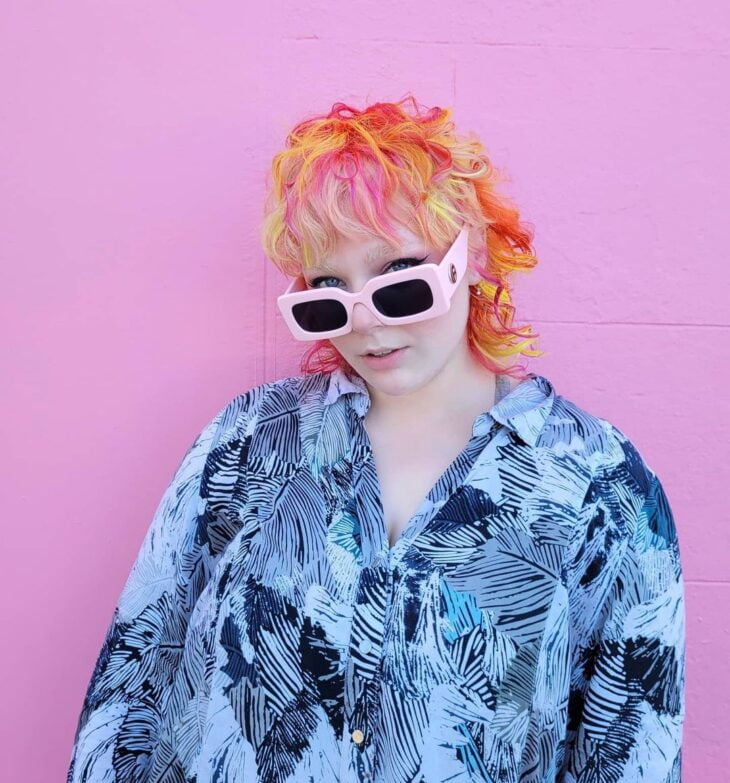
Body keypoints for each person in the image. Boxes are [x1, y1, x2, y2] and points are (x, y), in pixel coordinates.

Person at [67, 96, 685, 783]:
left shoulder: (600, 485)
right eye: (328, 292)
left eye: (400, 280)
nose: (365, 323)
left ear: (471, 256)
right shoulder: (248, 443)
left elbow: (633, 748)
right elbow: (133, 685)